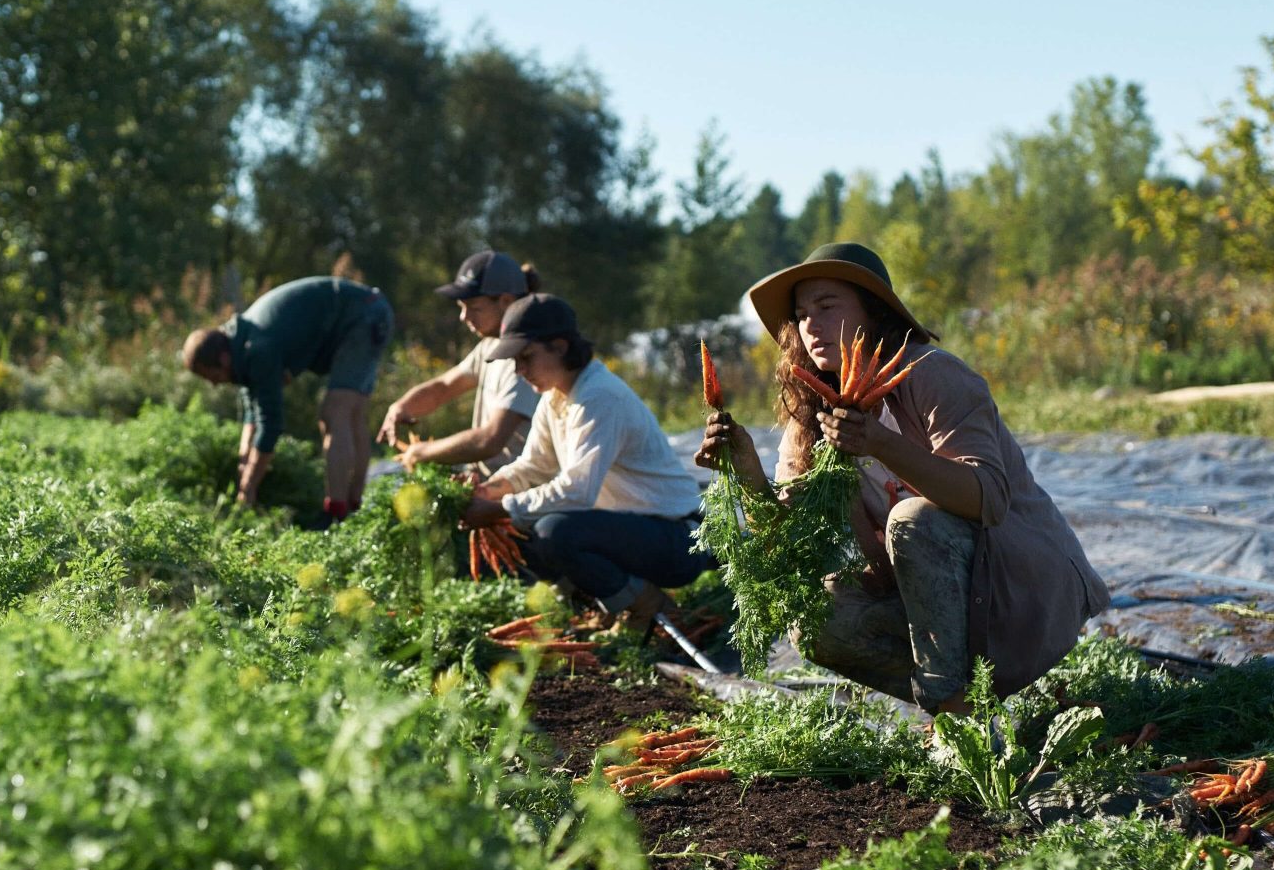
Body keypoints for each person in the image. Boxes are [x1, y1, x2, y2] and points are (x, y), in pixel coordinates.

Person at [696, 242, 1108, 711]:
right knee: (818, 617)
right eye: (802, 313)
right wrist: (747, 470)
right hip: (941, 610)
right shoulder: (810, 418)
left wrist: (880, 443)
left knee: (911, 520)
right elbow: (790, 543)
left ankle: (952, 714)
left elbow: (987, 498)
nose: (811, 324)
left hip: (1023, 594)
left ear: (873, 311)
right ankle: (961, 708)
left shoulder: (933, 375)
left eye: (827, 306)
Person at [462, 293, 714, 629]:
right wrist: (487, 492)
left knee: (554, 531)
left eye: (527, 358)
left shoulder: (598, 396)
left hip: (679, 538)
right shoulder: (555, 396)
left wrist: (500, 507)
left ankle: (649, 608)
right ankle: (604, 604)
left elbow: (577, 491)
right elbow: (533, 465)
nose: (520, 371)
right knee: (521, 526)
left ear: (561, 346)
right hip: (630, 531)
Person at [181, 276, 393, 520]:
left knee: (335, 412)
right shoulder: (239, 343)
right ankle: (353, 507)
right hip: (366, 309)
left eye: (211, 376)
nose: (215, 384)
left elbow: (270, 425)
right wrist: (244, 466)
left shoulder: (257, 349)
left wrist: (249, 487)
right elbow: (252, 415)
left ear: (223, 359)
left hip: (363, 316)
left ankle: (337, 513)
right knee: (350, 414)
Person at [377, 250, 542, 479]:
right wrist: (401, 407)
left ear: (506, 301)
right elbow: (444, 386)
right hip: (486, 483)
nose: (464, 317)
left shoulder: (526, 358)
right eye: (461, 307)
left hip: (514, 493)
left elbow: (490, 440)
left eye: (474, 307)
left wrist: (421, 453)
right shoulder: (490, 345)